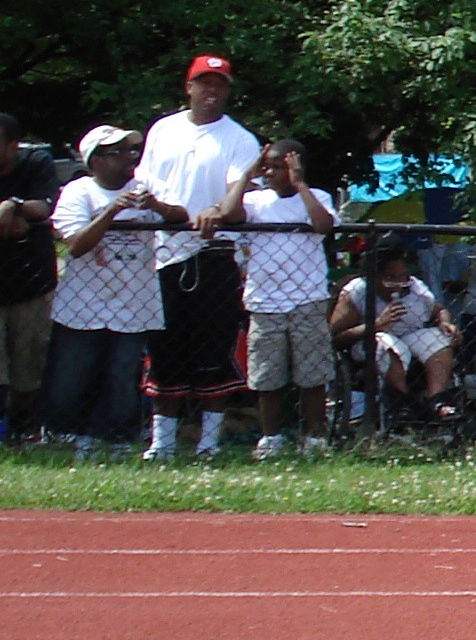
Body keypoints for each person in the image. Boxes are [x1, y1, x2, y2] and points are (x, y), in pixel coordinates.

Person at [137, 53, 259, 459]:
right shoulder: (163, 130)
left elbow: (236, 198)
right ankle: (162, 444)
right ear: (189, 87)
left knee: (212, 353)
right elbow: (146, 184)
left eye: (220, 84)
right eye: (204, 83)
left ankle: (208, 444)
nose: (212, 91)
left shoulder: (239, 139)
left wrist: (217, 211)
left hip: (212, 253)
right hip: (163, 255)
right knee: (164, 351)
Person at [41, 126, 163, 456]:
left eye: (130, 152)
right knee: (73, 372)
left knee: (124, 375)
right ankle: (63, 433)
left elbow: (181, 217)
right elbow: (76, 244)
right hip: (84, 303)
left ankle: (118, 438)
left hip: (135, 302)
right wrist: (111, 211)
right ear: (96, 160)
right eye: (118, 152)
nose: (129, 158)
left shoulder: (146, 186)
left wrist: (158, 206)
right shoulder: (79, 192)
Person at [238, 140, 337, 459]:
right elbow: (228, 212)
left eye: (278, 166)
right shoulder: (255, 201)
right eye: (266, 165)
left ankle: (315, 438)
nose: (270, 172)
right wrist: (246, 176)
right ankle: (271, 438)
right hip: (265, 302)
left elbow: (323, 226)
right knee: (267, 376)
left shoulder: (317, 197)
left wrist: (299, 184)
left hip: (306, 300)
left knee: (312, 375)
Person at [331, 243, 456, 417]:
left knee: (437, 339)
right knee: (386, 343)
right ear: (374, 276)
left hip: (410, 337)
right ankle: (401, 403)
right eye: (390, 278)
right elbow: (335, 338)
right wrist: (376, 325)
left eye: (402, 277)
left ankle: (437, 401)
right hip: (371, 340)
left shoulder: (414, 287)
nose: (397, 284)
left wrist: (445, 323)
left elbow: (439, 310)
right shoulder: (358, 291)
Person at [0, 112, 58, 444]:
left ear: (12, 146)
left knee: (28, 375)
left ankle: (25, 432)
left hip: (30, 285)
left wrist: (13, 204)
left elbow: (44, 207)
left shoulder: (36, 162)